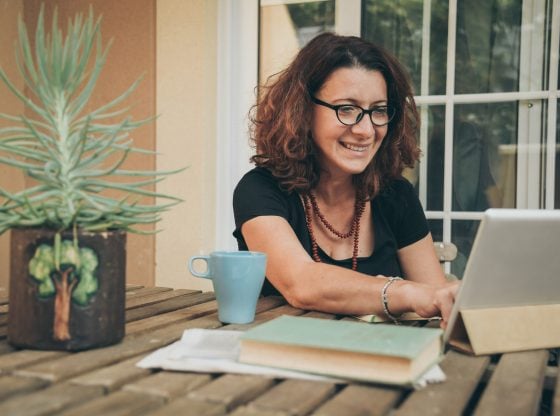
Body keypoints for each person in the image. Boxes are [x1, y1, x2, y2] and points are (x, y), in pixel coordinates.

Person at [233, 33, 458, 328]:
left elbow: (436, 296)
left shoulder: (396, 194)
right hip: (282, 361)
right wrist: (402, 290)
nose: (366, 130)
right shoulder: (259, 189)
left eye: (378, 111)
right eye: (347, 109)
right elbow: (301, 284)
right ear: (302, 110)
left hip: (379, 362)